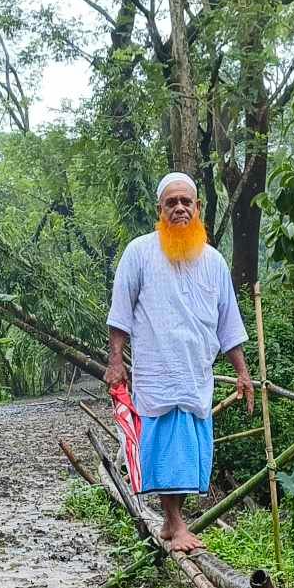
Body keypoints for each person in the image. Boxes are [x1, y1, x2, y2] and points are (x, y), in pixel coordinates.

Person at [105, 171, 254, 554]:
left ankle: (174, 522)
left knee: (191, 450)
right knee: (165, 448)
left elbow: (228, 323)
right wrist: (116, 361)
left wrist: (242, 372)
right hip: (157, 369)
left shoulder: (214, 262)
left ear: (198, 207)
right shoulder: (140, 252)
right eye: (171, 202)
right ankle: (174, 521)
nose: (179, 208)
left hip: (196, 372)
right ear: (160, 209)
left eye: (186, 201)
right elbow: (120, 313)